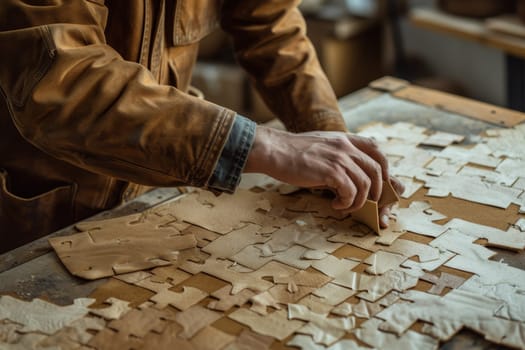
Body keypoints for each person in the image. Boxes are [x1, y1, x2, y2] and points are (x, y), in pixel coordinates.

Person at [0, 0, 403, 252]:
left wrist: (326, 135)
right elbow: (65, 80)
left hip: (161, 181)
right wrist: (266, 146)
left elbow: (270, 23)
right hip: (43, 198)